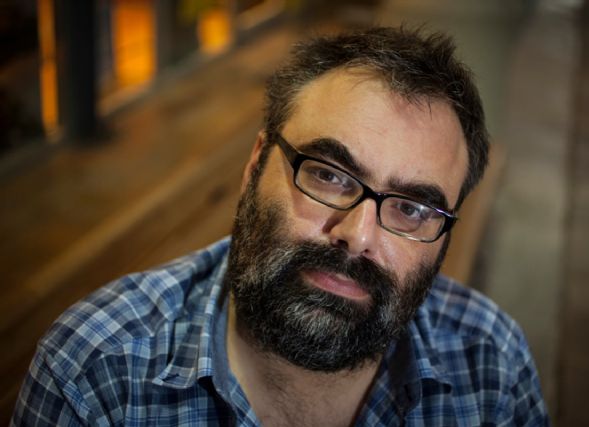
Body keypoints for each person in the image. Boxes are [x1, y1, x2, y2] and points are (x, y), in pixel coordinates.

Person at [12, 27, 549, 426]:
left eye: (411, 209)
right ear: (255, 164)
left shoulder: (491, 366)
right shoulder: (98, 376)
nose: (358, 235)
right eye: (329, 175)